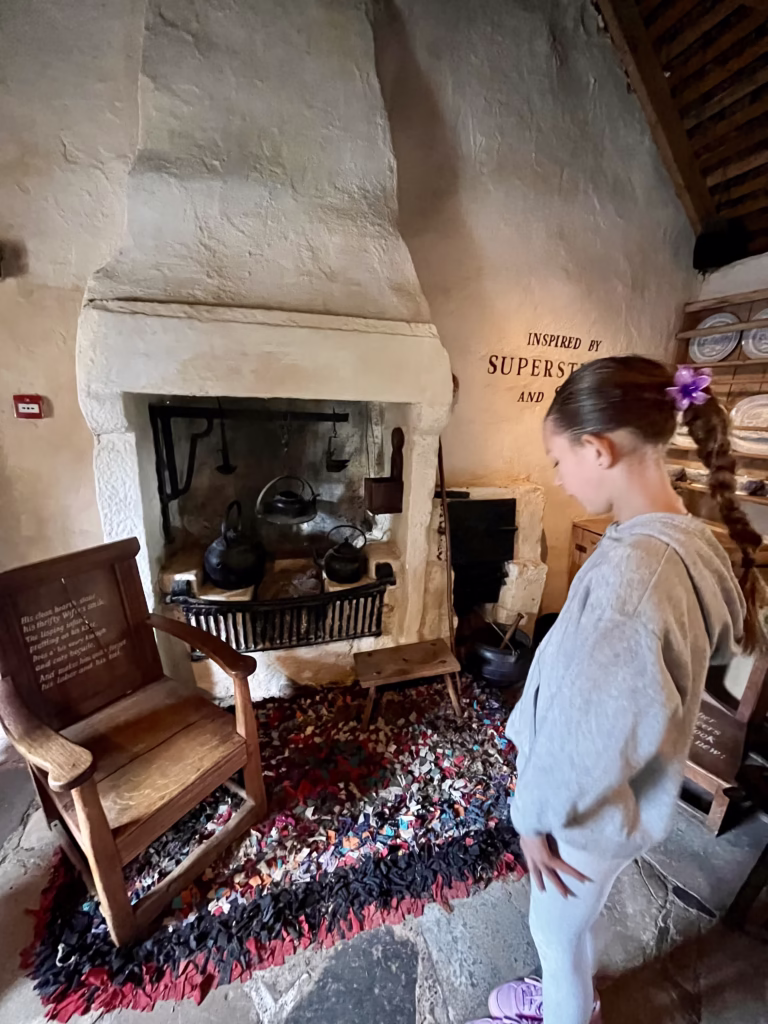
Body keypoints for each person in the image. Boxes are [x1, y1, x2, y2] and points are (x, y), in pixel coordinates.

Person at [469, 357, 764, 1024]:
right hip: (625, 799)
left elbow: (589, 730)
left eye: (556, 457)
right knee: (580, 915)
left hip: (585, 808)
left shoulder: (637, 575)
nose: (556, 475)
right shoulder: (679, 537)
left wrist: (535, 817)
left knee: (557, 930)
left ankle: (570, 1008)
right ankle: (569, 990)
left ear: (596, 448)